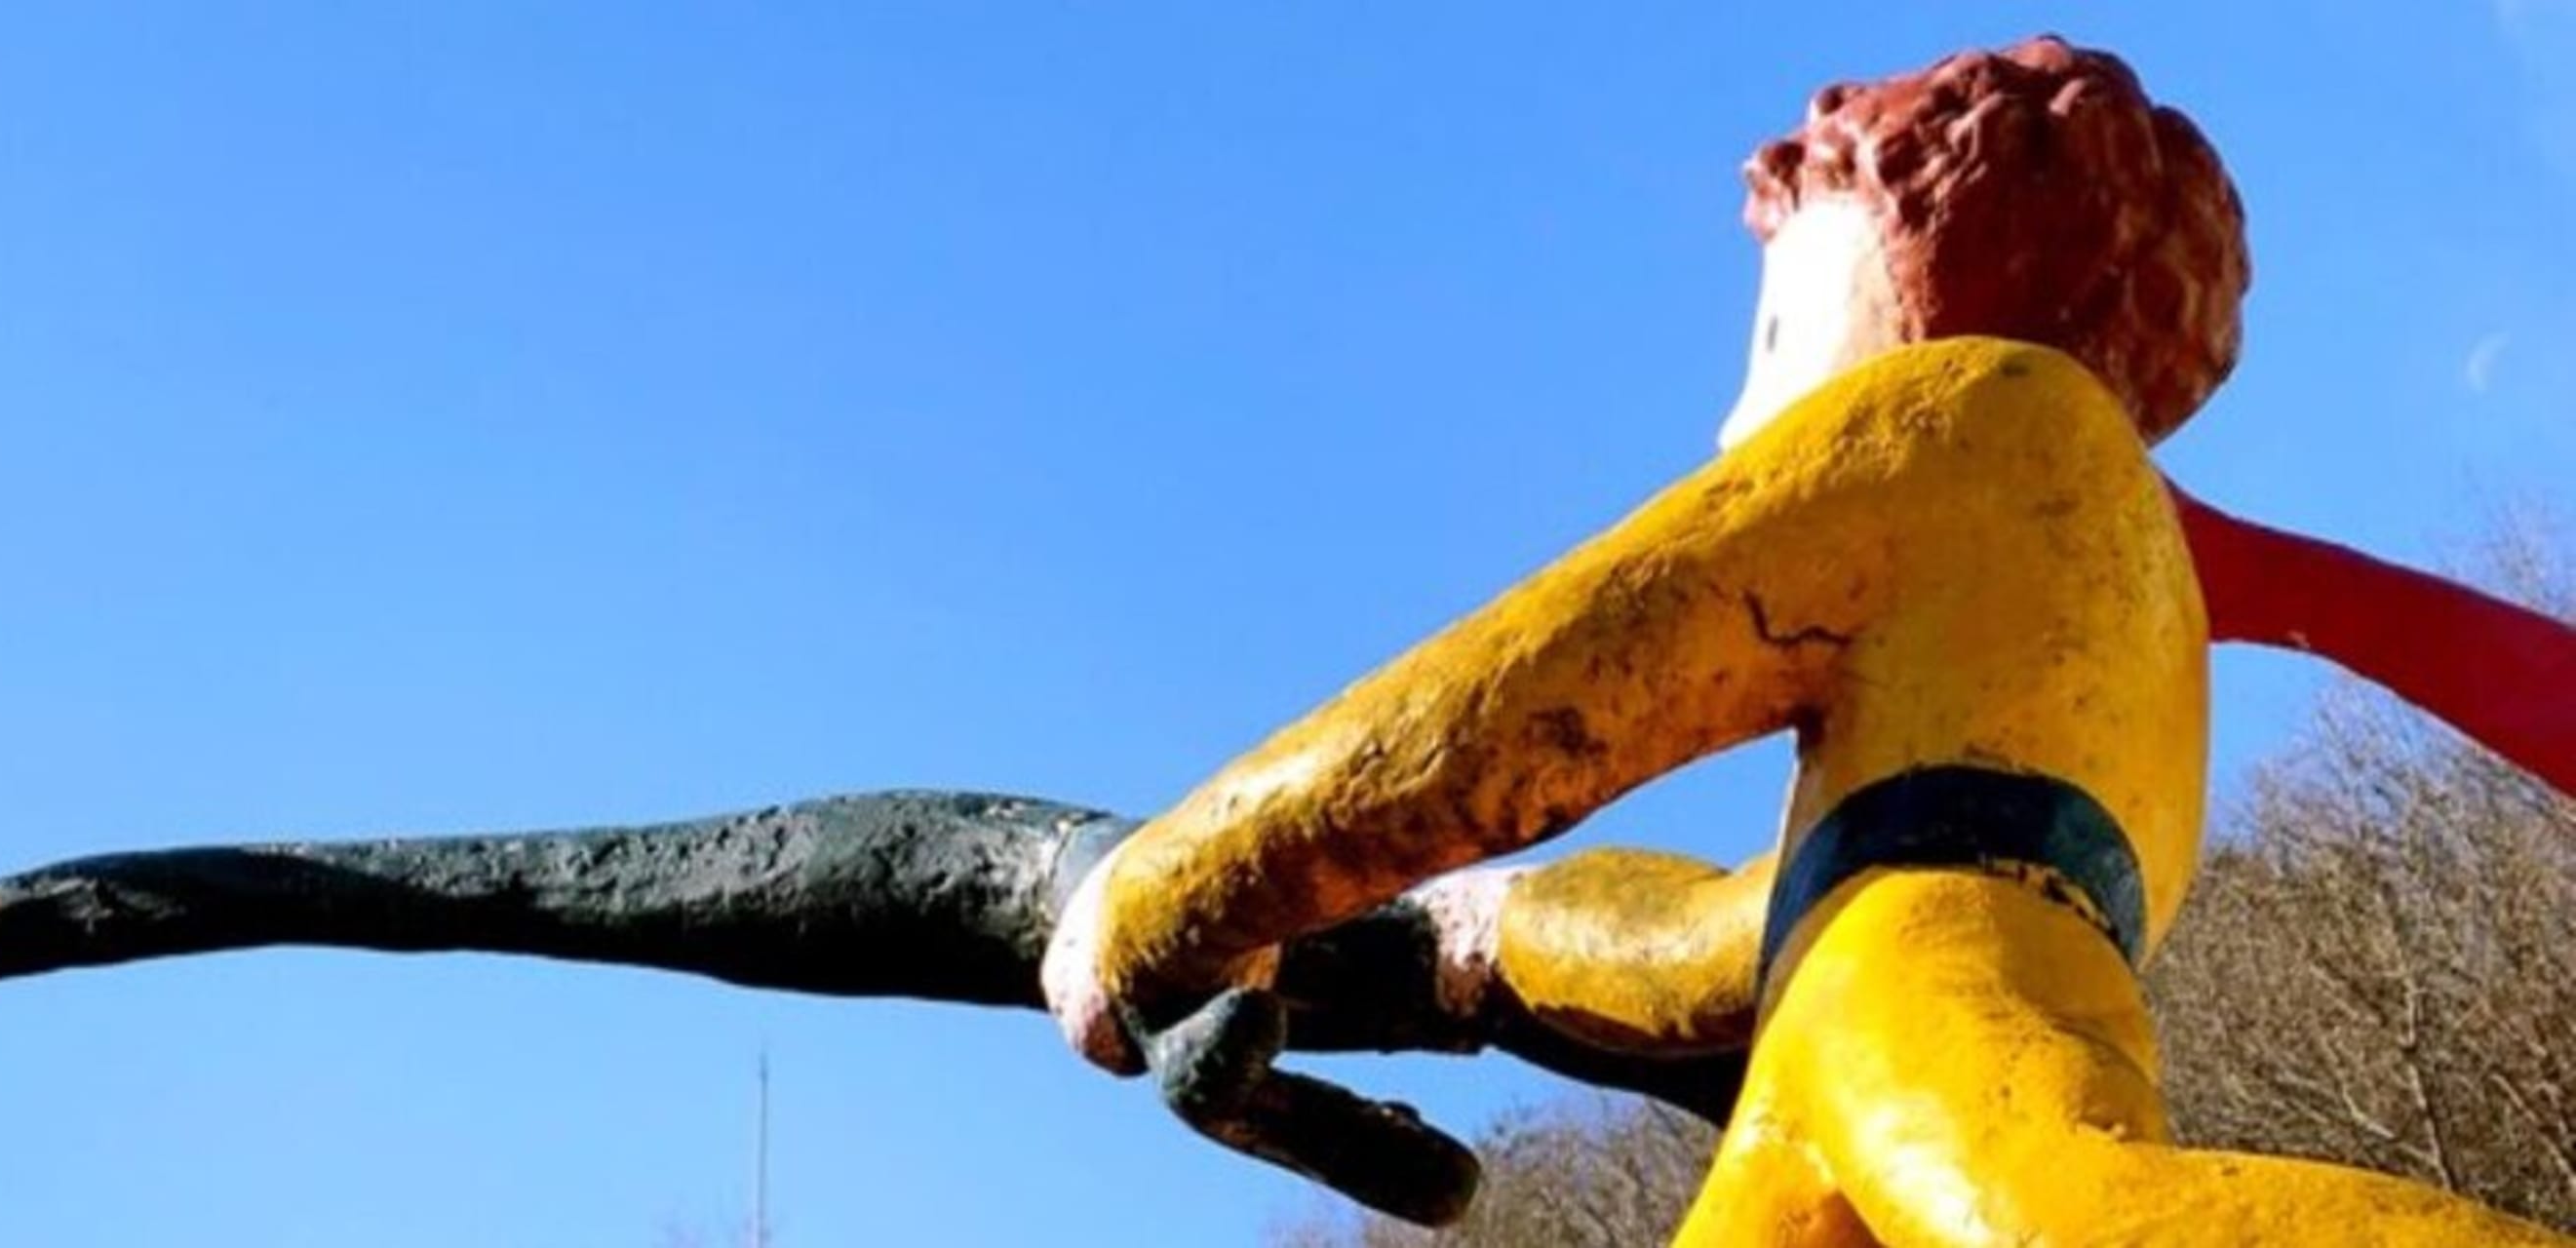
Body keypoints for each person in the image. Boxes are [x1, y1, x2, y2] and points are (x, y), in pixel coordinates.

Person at [1032, 36, 2566, 1243]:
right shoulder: (2108, 588)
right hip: (1847, 1020)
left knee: (2063, 1212)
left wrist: (1172, 887)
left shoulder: (1965, 417)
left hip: (1921, 1002)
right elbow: (1739, 939)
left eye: (1775, 340)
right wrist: (1469, 944)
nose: (1734, 419)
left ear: (1936, 293)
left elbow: (1539, 694)